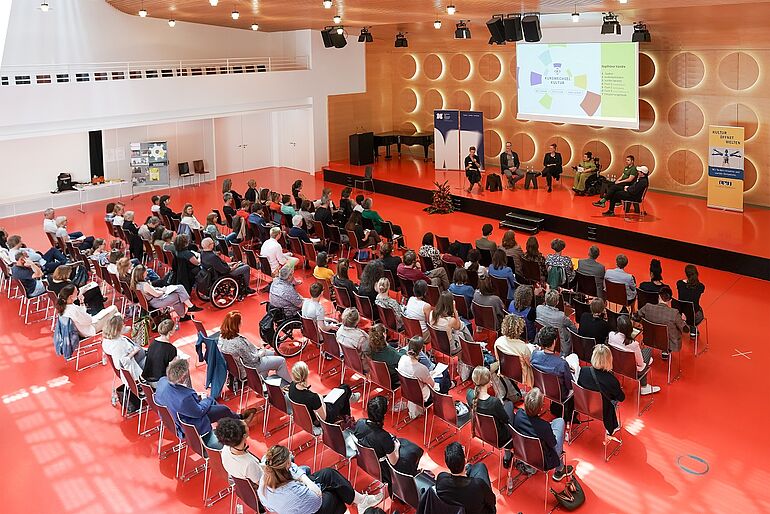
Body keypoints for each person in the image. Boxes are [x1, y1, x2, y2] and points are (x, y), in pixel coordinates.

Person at [155, 358, 257, 450]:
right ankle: (237, 422)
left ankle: (233, 421)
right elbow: (199, 412)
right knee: (218, 406)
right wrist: (205, 398)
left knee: (216, 405)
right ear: (182, 377)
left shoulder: (162, 381)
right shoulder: (185, 398)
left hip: (177, 416)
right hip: (191, 424)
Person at [258, 444, 382, 514]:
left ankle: (360, 501)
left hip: (294, 505)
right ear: (286, 465)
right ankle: (357, 503)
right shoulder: (294, 491)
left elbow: (270, 508)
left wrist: (300, 476)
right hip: (311, 507)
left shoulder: (264, 480)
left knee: (329, 474)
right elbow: (317, 498)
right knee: (334, 493)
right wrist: (303, 478)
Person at [353, 395, 424, 485]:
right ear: (383, 414)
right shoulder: (383, 437)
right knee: (414, 451)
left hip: (368, 460)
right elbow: (393, 461)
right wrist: (396, 447)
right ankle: (410, 476)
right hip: (384, 468)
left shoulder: (360, 422)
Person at [513, 388, 574, 481]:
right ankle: (560, 469)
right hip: (542, 459)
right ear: (541, 409)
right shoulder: (543, 426)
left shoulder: (518, 415)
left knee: (554, 424)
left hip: (521, 450)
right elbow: (553, 444)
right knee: (560, 421)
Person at [218, 310, 291, 384]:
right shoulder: (239, 343)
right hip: (250, 367)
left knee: (272, 354)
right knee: (281, 361)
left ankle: (263, 380)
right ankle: (289, 384)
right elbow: (252, 360)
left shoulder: (221, 337)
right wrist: (262, 352)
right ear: (237, 324)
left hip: (238, 366)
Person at [466, 366, 514, 467]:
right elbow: (506, 420)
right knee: (510, 406)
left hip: (480, 431)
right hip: (498, 437)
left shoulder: (469, 394)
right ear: (489, 381)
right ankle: (507, 455)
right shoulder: (494, 402)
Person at [288, 361, 360, 426]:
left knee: (340, 394)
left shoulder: (291, 387)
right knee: (345, 388)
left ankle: (348, 403)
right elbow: (324, 418)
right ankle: (347, 414)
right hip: (322, 418)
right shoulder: (313, 397)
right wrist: (321, 399)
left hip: (305, 417)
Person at [577, 344, 625, 440]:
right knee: (612, 401)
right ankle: (613, 426)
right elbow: (621, 398)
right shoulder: (612, 380)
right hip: (603, 410)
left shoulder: (583, 371)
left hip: (583, 405)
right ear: (609, 359)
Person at [530, 326, 578, 420]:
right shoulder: (562, 364)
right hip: (561, 395)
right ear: (554, 342)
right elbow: (570, 386)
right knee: (574, 358)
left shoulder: (534, 355)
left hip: (541, 387)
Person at [435, 442, 497, 514]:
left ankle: (468, 468)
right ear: (465, 460)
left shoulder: (441, 479)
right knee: (480, 467)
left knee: (473, 467)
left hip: (455, 509)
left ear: (446, 463)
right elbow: (492, 501)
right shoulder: (478, 484)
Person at [397, 336, 451, 417]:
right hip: (421, 396)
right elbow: (432, 384)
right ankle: (443, 399)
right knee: (444, 374)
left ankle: (446, 391)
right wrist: (432, 375)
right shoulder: (421, 368)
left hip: (406, 391)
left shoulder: (402, 358)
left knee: (441, 377)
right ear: (421, 350)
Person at [608, 315, 661, 395]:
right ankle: (644, 387)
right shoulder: (634, 344)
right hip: (632, 370)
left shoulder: (611, 335)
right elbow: (640, 364)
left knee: (646, 357)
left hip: (616, 365)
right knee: (648, 351)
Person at [130, 265, 200, 321]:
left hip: (151, 301)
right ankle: (186, 311)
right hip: (156, 302)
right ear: (142, 274)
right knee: (179, 294)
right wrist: (163, 291)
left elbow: (152, 291)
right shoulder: (144, 285)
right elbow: (156, 294)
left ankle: (185, 313)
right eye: (146, 272)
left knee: (179, 289)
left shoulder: (136, 284)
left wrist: (161, 289)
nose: (147, 273)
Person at [635, 285, 686, 358]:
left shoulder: (647, 307)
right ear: (670, 300)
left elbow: (635, 317)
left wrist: (642, 322)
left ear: (658, 296)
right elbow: (685, 329)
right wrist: (684, 320)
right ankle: (665, 350)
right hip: (668, 343)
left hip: (649, 339)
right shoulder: (674, 313)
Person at [56, 285, 120, 338]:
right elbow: (88, 321)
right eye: (76, 292)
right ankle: (118, 330)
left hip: (84, 329)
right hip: (90, 329)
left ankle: (115, 329)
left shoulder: (65, 307)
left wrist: (82, 302)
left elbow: (82, 314)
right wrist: (88, 315)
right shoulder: (72, 309)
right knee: (113, 308)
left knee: (105, 312)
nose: (78, 293)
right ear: (71, 297)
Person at [215, 417, 263, 485]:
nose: (243, 420)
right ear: (244, 435)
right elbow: (262, 483)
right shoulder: (249, 464)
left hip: (236, 480)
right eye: (246, 425)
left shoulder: (226, 448)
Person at [494, 314, 533, 390]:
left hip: (504, 370)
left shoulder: (498, 341)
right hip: (521, 375)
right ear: (520, 330)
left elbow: (498, 359)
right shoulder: (523, 347)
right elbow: (530, 364)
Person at [536, 290, 577, 355]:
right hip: (558, 343)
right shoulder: (561, 316)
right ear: (557, 302)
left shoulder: (538, 309)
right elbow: (573, 329)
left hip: (543, 338)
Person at [141, 319, 182, 386]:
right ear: (170, 332)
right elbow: (172, 369)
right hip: (159, 381)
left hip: (146, 379)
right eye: (174, 327)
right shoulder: (171, 349)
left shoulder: (153, 342)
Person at [429, 291, 469, 355]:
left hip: (437, 343)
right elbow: (459, 326)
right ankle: (472, 345)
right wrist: (455, 310)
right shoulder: (450, 321)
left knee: (456, 330)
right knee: (462, 327)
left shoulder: (431, 314)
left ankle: (471, 344)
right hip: (450, 348)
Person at [676, 264, 705, 337]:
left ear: (686, 274)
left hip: (681, 313)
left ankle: (682, 324)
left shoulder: (679, 284)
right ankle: (693, 329)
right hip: (694, 315)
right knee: (696, 308)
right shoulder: (701, 286)